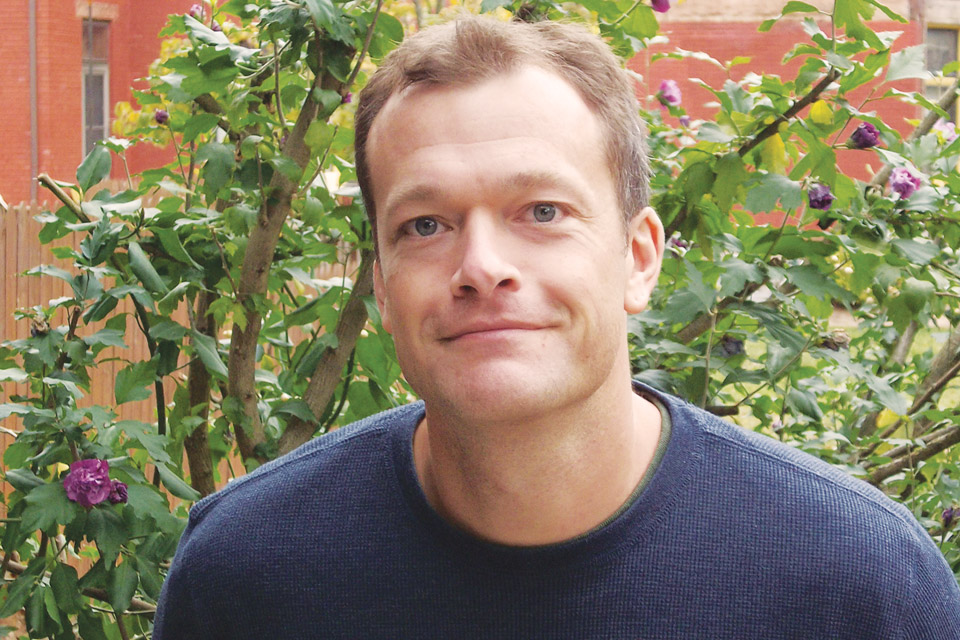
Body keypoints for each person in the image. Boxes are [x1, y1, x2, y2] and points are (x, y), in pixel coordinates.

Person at [154, 15, 960, 639]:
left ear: (639, 258)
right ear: (381, 287)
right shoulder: (249, 573)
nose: (482, 264)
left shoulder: (858, 583)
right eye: (425, 225)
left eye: (542, 211)